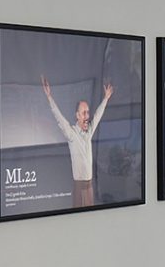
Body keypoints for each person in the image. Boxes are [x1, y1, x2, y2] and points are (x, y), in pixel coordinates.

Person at [42, 76, 114, 208]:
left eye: (88, 112)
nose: (87, 115)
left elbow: (97, 115)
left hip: (90, 186)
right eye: (84, 112)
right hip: (79, 187)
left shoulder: (89, 132)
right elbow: (59, 118)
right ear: (77, 115)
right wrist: (49, 97)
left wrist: (106, 98)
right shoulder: (72, 134)